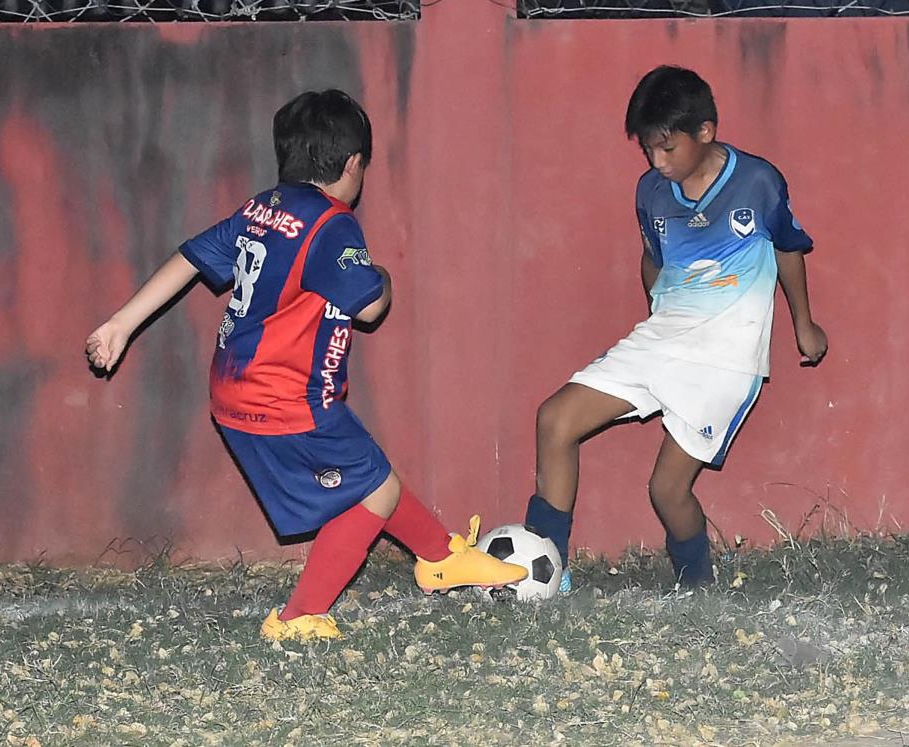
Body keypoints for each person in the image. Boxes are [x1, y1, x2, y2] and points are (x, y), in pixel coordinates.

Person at [85, 89, 526, 641]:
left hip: (234, 390)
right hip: (288, 397)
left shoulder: (260, 208)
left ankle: (440, 557)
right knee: (377, 492)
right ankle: (299, 617)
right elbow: (369, 308)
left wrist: (121, 323)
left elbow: (191, 258)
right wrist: (383, 276)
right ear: (352, 165)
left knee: (372, 472)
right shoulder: (332, 224)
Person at [524, 66, 828, 592]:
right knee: (554, 420)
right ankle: (545, 575)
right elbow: (653, 259)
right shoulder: (651, 192)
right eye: (648, 151)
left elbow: (787, 248)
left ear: (705, 131)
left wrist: (804, 323)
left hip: (726, 355)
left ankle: (698, 589)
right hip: (663, 336)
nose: (657, 163)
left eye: (667, 149)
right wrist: (656, 315)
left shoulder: (758, 181)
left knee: (666, 490)